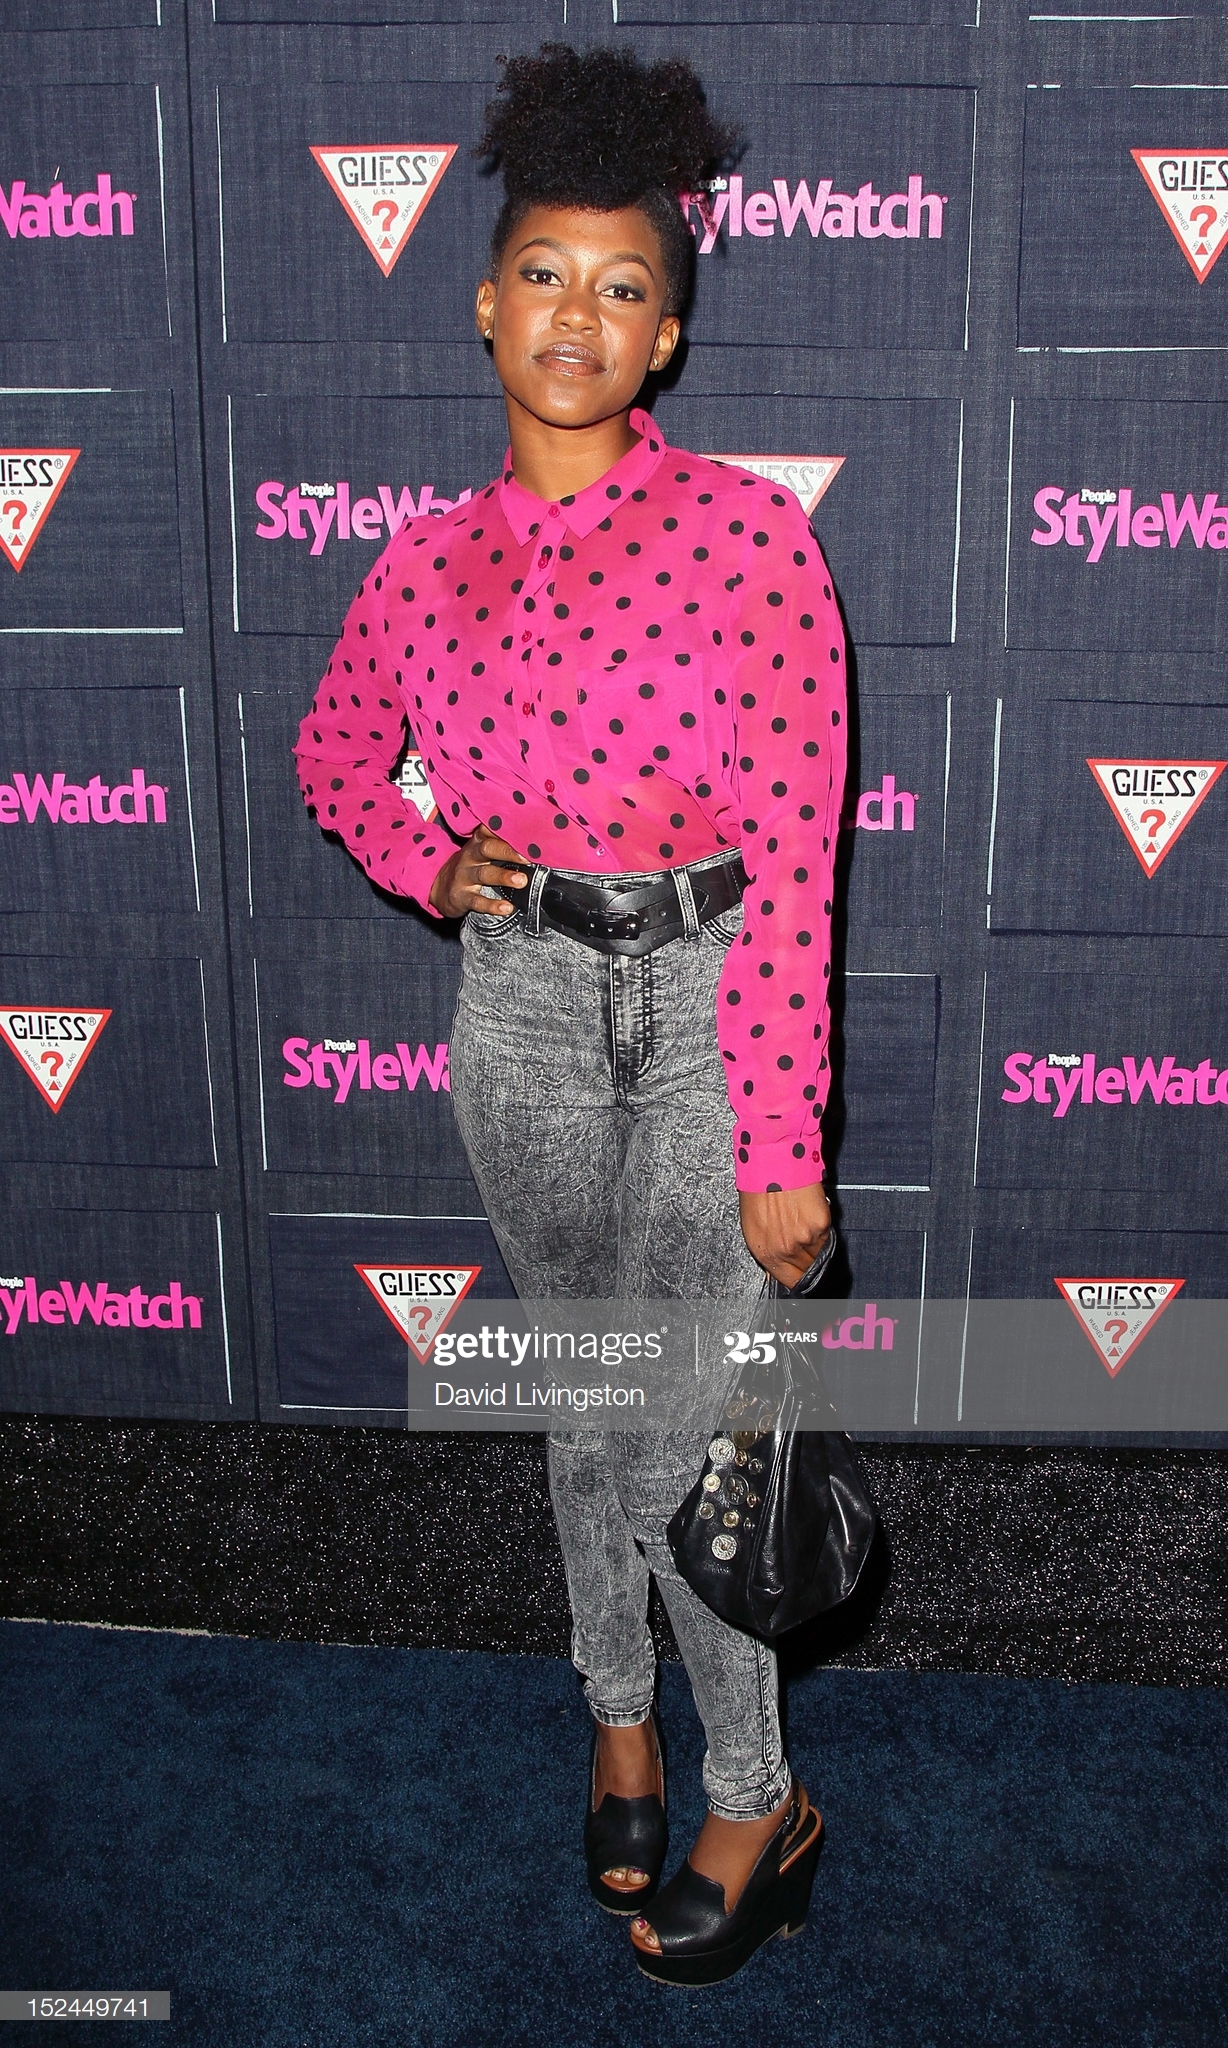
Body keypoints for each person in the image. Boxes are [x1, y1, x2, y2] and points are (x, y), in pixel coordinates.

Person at [294, 43, 846, 1987]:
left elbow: (793, 863)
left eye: (623, 288)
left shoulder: (751, 541)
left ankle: (755, 1793)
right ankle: (618, 1720)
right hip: (520, 1000)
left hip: (705, 994)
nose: (576, 316)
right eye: (542, 272)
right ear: (483, 298)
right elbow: (336, 756)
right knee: (586, 1390)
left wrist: (780, 1138)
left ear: (666, 335)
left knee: (683, 1411)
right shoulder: (418, 566)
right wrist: (426, 860)